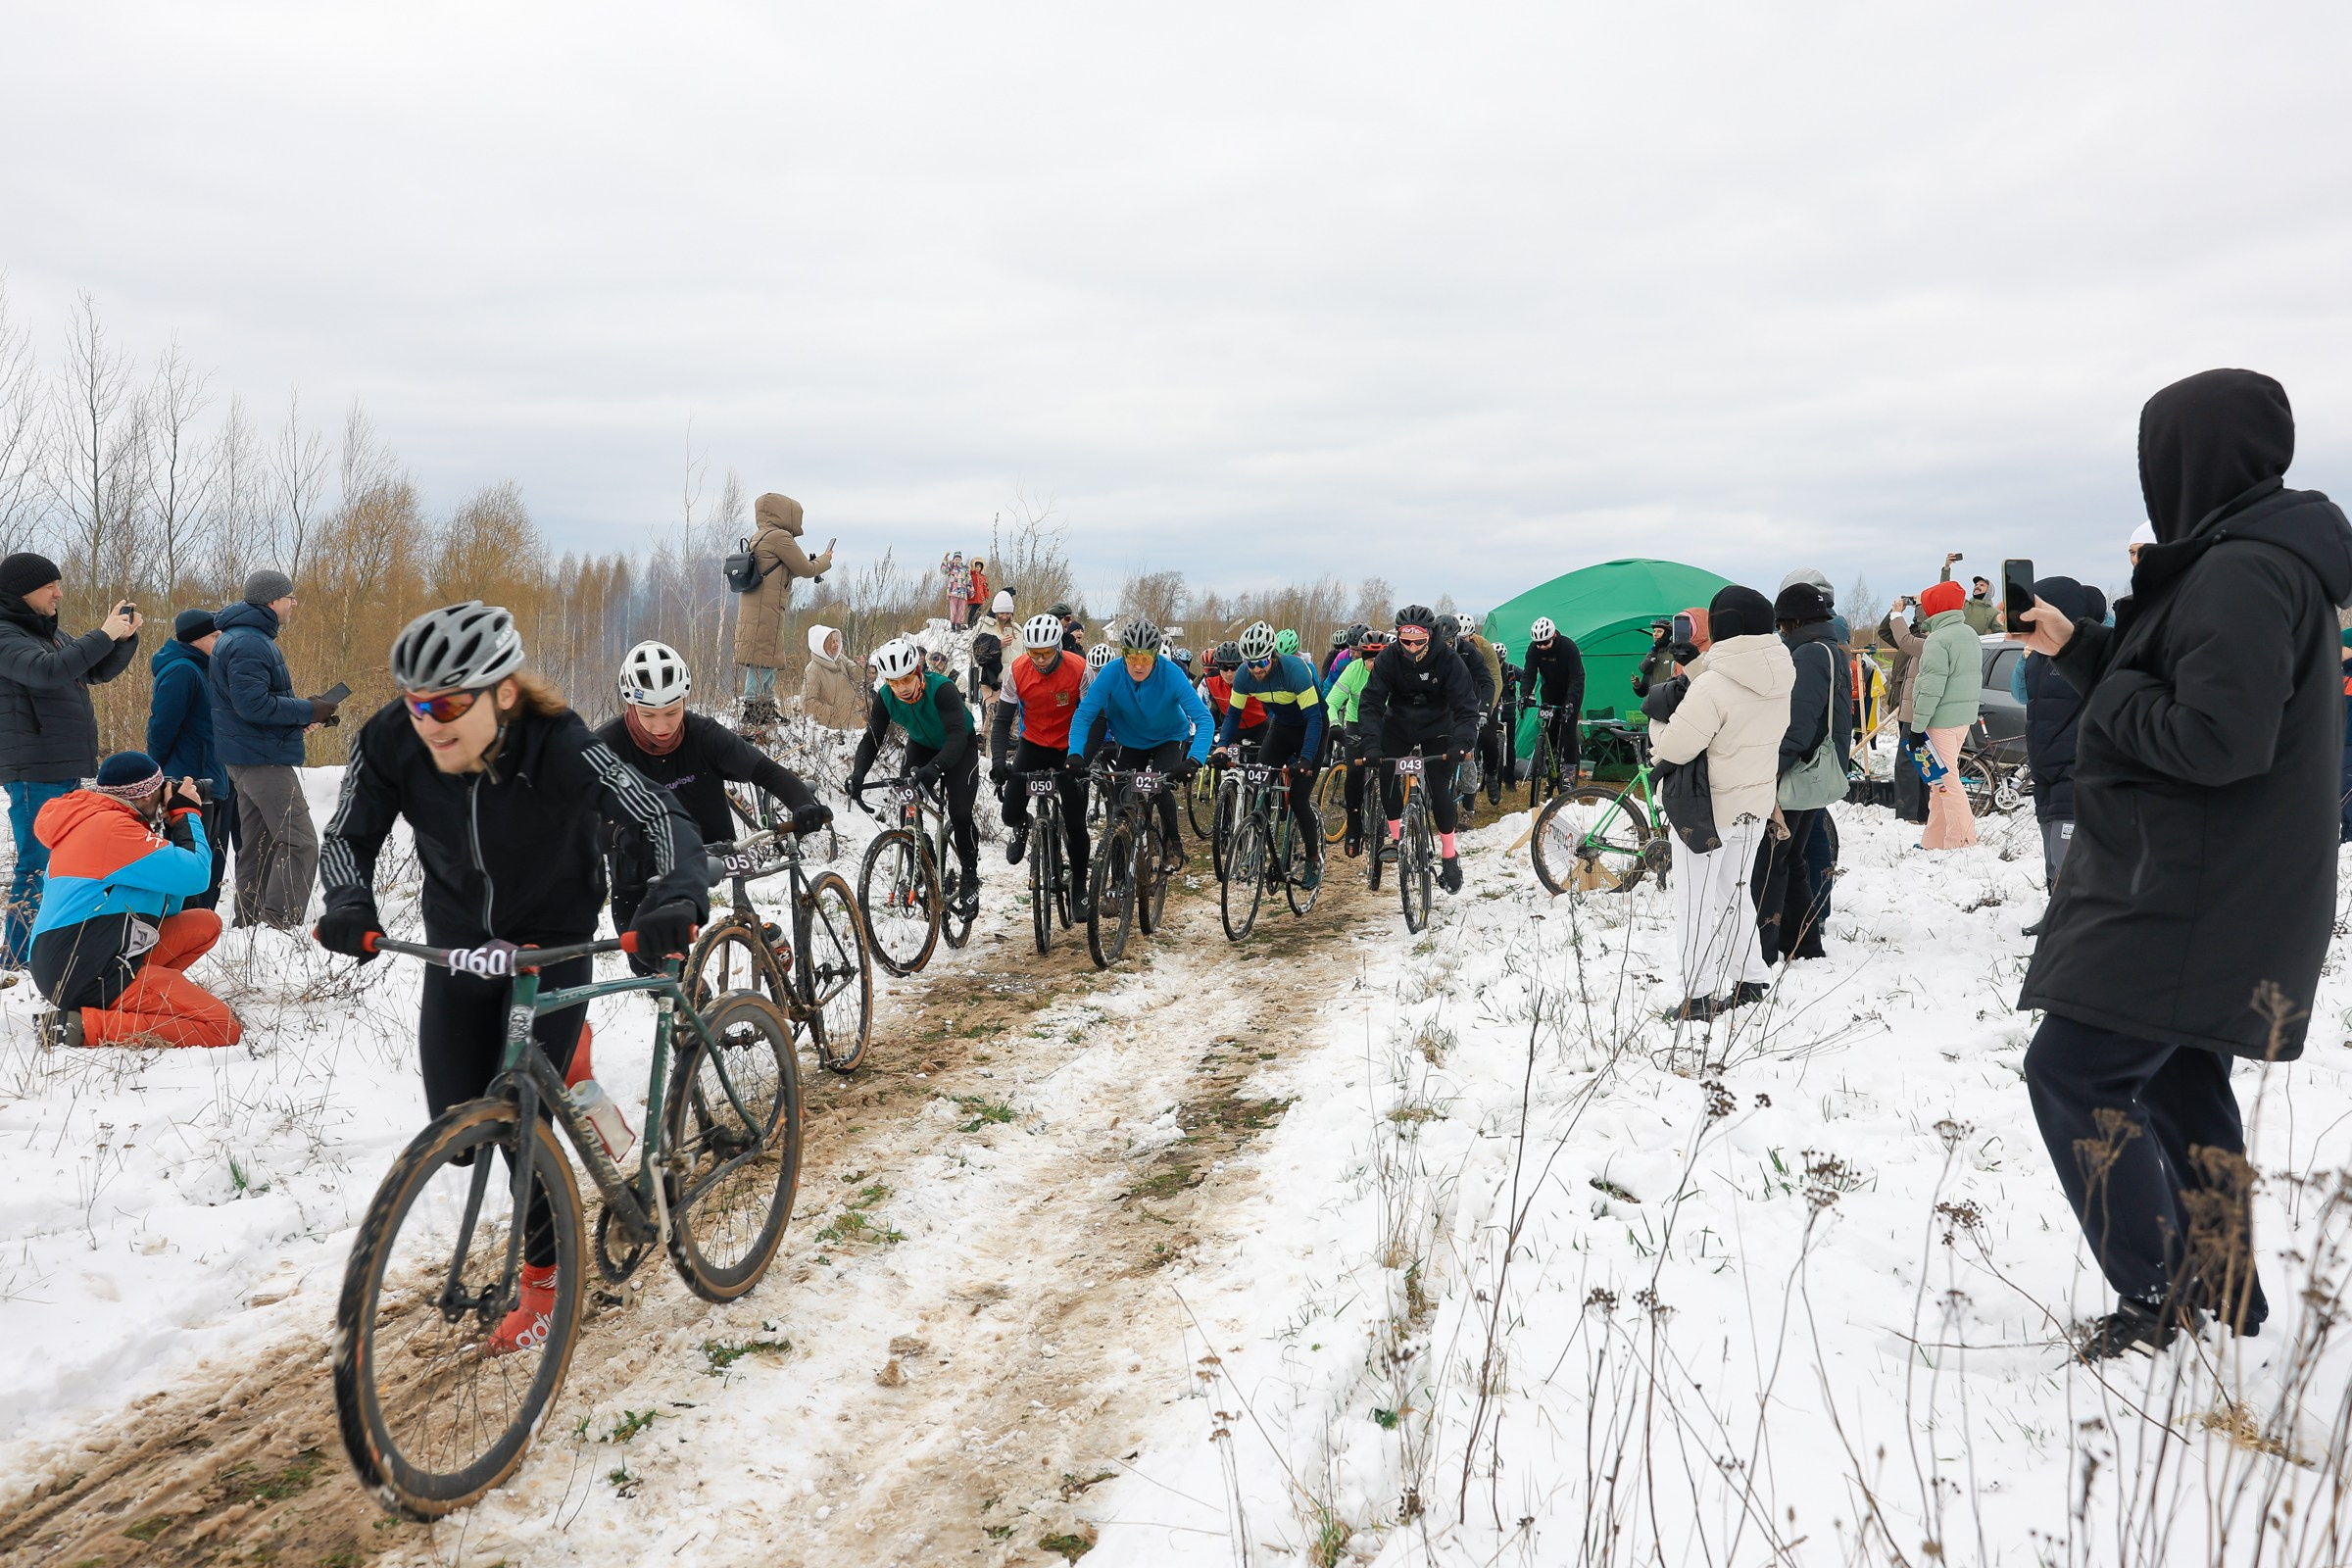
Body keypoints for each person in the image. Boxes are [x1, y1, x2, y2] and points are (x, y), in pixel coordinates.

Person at [2014, 368, 2352, 1356]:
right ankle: (2230, 1293)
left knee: (2072, 1070)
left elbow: (2217, 737)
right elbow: (2185, 676)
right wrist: (2080, 649)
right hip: (2218, 882)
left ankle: (2159, 1295)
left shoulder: (2245, 570)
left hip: (2191, 891)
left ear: (2190, 458)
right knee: (2177, 1082)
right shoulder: (2248, 559)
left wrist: (2102, 704)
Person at [315, 603, 708, 1351]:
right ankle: (572, 1076)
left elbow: (656, 814)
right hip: (459, 942)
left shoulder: (555, 741)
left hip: (551, 937)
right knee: (461, 1129)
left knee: (520, 1123)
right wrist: (347, 899)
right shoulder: (391, 738)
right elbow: (347, 834)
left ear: (501, 693)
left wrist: (676, 893)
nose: (430, 721)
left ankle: (547, 1284)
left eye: (449, 703)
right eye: (416, 701)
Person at [599, 641, 828, 960]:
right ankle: (695, 999)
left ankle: (759, 934)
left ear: (684, 701)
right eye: (649, 714)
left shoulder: (703, 734)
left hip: (706, 849)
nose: (662, 726)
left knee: (667, 950)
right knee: (645, 961)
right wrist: (617, 835)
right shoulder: (606, 746)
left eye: (672, 712)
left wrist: (803, 804)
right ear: (630, 706)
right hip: (635, 865)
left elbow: (766, 771)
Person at [1643, 586, 1792, 1021]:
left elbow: (1675, 747)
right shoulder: (1783, 676)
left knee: (1694, 902)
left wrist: (1656, 722)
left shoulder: (1712, 684)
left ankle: (1699, 994)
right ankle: (1749, 978)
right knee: (1735, 893)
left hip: (1707, 810)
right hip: (1755, 803)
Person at [28, 753, 237, 1050]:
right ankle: (76, 1027)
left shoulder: (105, 823)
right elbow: (197, 877)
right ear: (148, 794)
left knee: (204, 923)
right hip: (85, 969)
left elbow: (172, 908)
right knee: (222, 1027)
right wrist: (187, 815)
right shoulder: (112, 829)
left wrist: (168, 833)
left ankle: (141, 1002)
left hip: (80, 957)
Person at [0, 553, 142, 966]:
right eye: (51, 587)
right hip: (33, 769)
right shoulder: (6, 635)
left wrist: (122, 638)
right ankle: (19, 957)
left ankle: (44, 947)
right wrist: (102, 633)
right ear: (23, 591)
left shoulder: (44, 634)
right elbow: (48, 672)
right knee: (36, 863)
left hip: (61, 766)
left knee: (60, 861)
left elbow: (92, 671)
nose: (59, 593)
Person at [211, 569, 339, 929]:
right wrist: (306, 709)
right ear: (271, 601)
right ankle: (279, 924)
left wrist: (301, 717)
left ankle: (250, 926)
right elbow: (252, 706)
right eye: (289, 596)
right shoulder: (250, 643)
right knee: (300, 842)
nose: (294, 602)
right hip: (261, 760)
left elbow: (253, 705)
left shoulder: (240, 638)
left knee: (260, 844)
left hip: (248, 755)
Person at [1751, 581, 1848, 965]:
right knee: (1791, 858)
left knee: (1772, 859)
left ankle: (1765, 948)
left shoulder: (1808, 656)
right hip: (1815, 772)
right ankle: (1803, 944)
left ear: (1791, 621)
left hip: (1799, 771)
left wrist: (1773, 768)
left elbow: (1799, 724)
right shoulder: (1832, 649)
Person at [850, 637, 981, 917]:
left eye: (906, 680)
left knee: (959, 814)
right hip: (921, 744)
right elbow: (872, 738)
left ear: (919, 672)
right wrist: (858, 772)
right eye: (893, 682)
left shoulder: (942, 689)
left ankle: (970, 877)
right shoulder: (886, 697)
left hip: (959, 745)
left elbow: (957, 736)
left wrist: (935, 769)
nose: (901, 688)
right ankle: (923, 864)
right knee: (906, 806)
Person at [1068, 618, 1213, 871]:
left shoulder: (1171, 674)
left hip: (1169, 737)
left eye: (1145, 658)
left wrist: (1194, 760)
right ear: (1122, 653)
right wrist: (1076, 754)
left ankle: (1172, 842)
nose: (1137, 665)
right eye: (1130, 656)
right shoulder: (1112, 673)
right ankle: (1117, 880)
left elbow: (1204, 719)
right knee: (1121, 809)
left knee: (1159, 786)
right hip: (1131, 741)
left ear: (1155, 656)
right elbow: (1084, 716)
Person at [1354, 606, 1481, 893]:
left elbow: (1465, 704)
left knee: (1439, 785)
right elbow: (1372, 702)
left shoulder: (1448, 659)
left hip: (1438, 724)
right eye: (1405, 641)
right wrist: (1371, 743)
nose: (1411, 648)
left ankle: (1449, 854)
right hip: (1399, 722)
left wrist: (1463, 742)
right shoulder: (1388, 658)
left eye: (1418, 641)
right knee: (1384, 768)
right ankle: (1397, 837)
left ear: (1430, 635)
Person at [989, 612, 1094, 914]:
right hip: (1033, 745)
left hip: (1068, 748)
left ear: (1058, 648)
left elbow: (1092, 716)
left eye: (1046, 653)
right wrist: (998, 761)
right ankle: (1023, 825)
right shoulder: (1017, 670)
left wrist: (1082, 756)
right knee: (1009, 812)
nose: (1041, 659)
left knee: (1075, 824)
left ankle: (1079, 886)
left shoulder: (1079, 669)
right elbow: (1002, 721)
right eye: (1034, 653)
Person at [1212, 622, 1327, 889]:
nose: (1256, 669)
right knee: (1259, 786)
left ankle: (1312, 858)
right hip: (1282, 729)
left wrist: (1307, 759)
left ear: (1273, 654)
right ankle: (1257, 846)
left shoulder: (1296, 670)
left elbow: (1313, 718)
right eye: (1250, 663)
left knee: (1298, 799)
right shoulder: (1243, 676)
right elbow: (1233, 716)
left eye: (1262, 661)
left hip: (1312, 729)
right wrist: (1222, 746)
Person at [2014, 576, 2092, 935]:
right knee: (2050, 850)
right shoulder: (2037, 658)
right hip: (2043, 766)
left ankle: (2072, 924)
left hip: (2076, 768)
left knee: (2067, 853)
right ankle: (2056, 914)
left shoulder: (2085, 657)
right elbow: (2019, 693)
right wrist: (2025, 652)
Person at [145, 610, 233, 909]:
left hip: (214, 778)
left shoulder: (205, 669)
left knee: (212, 859)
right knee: (193, 862)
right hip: (189, 782)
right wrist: (157, 776)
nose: (221, 641)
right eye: (215, 636)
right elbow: (161, 727)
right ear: (196, 639)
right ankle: (186, 928)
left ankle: (202, 926)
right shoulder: (182, 671)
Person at [733, 493, 835, 721]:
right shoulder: (779, 537)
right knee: (762, 659)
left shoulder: (759, 536)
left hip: (757, 606)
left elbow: (783, 571)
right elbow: (806, 569)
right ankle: (754, 709)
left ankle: (765, 707)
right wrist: (825, 559)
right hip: (766, 609)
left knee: (764, 657)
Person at [1907, 579, 1982, 850]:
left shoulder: (1939, 640)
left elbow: (1930, 687)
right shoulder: (1968, 634)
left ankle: (1962, 840)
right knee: (1938, 780)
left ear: (1936, 608)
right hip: (1962, 717)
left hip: (1940, 719)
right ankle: (1934, 840)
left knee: (1946, 780)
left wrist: (1918, 726)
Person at [1327, 627, 1386, 854]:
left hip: (1385, 723)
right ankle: (1353, 825)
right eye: (1368, 658)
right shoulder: (1352, 670)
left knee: (1390, 767)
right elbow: (1331, 702)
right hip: (1356, 723)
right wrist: (1334, 724)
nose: (1373, 664)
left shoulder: (1395, 671)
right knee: (1354, 771)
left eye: (1379, 658)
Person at [1522, 615, 1586, 796]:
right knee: (1549, 729)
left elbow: (1577, 678)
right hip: (1550, 689)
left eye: (1545, 643)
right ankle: (1551, 773)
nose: (1541, 647)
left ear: (1554, 637)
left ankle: (1569, 775)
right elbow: (1529, 674)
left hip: (1571, 690)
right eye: (1538, 643)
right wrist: (1525, 694)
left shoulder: (1568, 647)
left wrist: (1571, 703)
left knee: (1568, 729)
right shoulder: (1534, 649)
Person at [799, 623, 868, 730]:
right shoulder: (813, 669)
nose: (836, 644)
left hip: (853, 718)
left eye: (837, 641)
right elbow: (807, 703)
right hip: (834, 727)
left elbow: (856, 676)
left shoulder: (840, 658)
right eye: (832, 642)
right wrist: (833, 712)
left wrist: (861, 666)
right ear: (821, 645)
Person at [969, 589, 1016, 716]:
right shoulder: (984, 627)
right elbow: (978, 654)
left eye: (1008, 613)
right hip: (992, 684)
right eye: (1001, 613)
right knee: (992, 725)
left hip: (1014, 684)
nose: (1004, 616)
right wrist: (998, 644)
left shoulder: (1018, 630)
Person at [966, 557, 990, 625]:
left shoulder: (983, 577)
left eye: (979, 567)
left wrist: (986, 595)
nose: (978, 568)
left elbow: (985, 587)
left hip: (980, 598)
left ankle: (975, 624)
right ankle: (970, 624)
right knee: (972, 612)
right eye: (976, 566)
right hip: (972, 598)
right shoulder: (970, 575)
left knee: (979, 612)